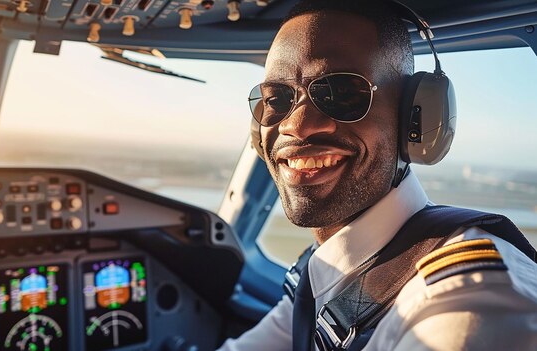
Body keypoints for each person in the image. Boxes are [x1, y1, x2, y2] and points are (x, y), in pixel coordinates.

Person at [217, 0, 537, 350]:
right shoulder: (327, 267)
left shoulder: (464, 303)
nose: (296, 125)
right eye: (277, 98)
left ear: (415, 120)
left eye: (340, 93)